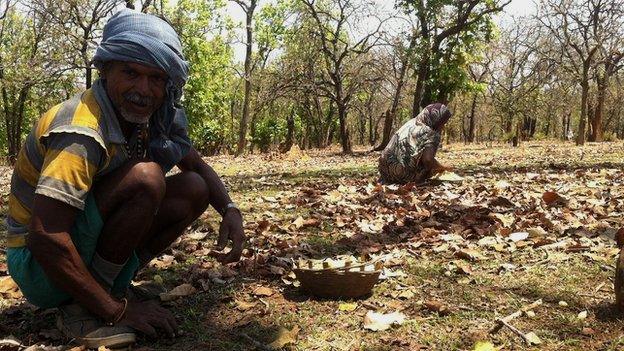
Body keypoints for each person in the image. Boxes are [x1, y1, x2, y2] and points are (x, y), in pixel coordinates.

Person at [4, 9, 245, 348]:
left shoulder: (150, 119)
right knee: (147, 178)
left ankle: (110, 284)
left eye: (156, 78)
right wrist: (116, 312)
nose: (143, 89)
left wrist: (230, 210)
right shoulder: (81, 130)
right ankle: (90, 305)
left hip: (73, 241)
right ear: (105, 71)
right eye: (130, 73)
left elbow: (198, 167)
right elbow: (46, 236)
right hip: (37, 266)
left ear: (167, 84)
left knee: (194, 188)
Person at [378, 103, 452, 184]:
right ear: (436, 119)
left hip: (385, 173)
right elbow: (428, 160)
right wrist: (443, 167)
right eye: (442, 123)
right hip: (403, 176)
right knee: (432, 169)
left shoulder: (410, 123)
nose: (443, 127)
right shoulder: (429, 132)